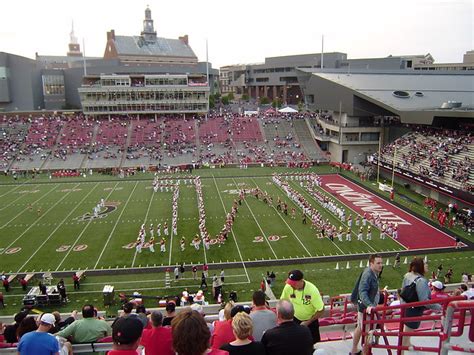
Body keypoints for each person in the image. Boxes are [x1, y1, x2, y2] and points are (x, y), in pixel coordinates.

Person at [401, 257, 441, 352]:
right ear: (420, 266)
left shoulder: (407, 275)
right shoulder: (421, 281)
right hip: (414, 310)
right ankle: (401, 351)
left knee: (406, 331)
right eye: (425, 264)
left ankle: (407, 344)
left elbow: (403, 291)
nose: (427, 265)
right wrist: (439, 307)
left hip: (407, 306)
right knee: (406, 334)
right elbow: (424, 301)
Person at [280, 269, 324, 344]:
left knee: (312, 343)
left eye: (294, 284)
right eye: (290, 283)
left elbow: (321, 310)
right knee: (296, 343)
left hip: (311, 321)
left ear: (301, 281)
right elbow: (283, 301)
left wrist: (308, 321)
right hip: (295, 319)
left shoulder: (312, 290)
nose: (291, 286)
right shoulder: (288, 287)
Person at [351, 254, 383, 355]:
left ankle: (354, 350)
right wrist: (370, 305)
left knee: (361, 328)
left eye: (381, 263)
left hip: (365, 306)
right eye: (378, 263)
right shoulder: (368, 274)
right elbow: (362, 291)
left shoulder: (372, 272)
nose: (380, 265)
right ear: (371, 264)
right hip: (367, 308)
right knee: (368, 331)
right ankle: (365, 352)